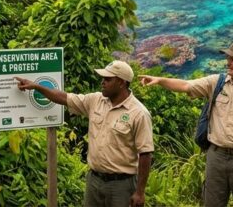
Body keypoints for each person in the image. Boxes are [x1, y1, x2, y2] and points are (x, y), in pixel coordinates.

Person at [140, 40, 233, 207]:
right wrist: (160, 80)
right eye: (228, 58)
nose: (228, 62)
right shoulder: (216, 82)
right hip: (216, 156)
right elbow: (186, 85)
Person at [15, 60, 154, 207]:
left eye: (108, 79)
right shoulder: (95, 100)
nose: (103, 82)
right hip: (94, 180)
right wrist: (36, 86)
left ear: (121, 82)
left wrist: (140, 192)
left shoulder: (139, 113)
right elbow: (63, 97)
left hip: (121, 185)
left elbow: (146, 153)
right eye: (103, 78)